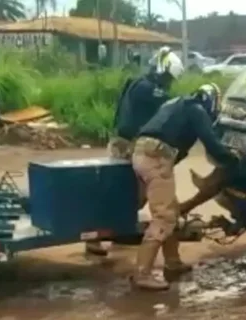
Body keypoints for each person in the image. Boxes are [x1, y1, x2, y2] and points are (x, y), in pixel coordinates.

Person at [130, 83, 244, 290]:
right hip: (157, 157)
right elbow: (211, 144)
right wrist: (232, 158)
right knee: (164, 217)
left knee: (170, 209)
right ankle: (142, 274)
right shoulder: (197, 110)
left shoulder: (176, 103)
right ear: (211, 102)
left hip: (141, 151)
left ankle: (173, 263)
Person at [85, 48, 185, 256]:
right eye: (168, 77)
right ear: (160, 69)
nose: (169, 82)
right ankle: (96, 235)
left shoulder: (136, 83)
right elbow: (167, 106)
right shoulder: (149, 90)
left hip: (123, 142)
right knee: (129, 194)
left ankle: (110, 232)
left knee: (125, 194)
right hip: (128, 145)